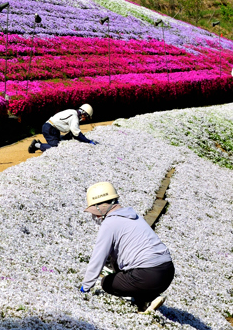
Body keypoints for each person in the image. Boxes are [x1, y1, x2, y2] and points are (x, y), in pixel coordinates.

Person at [79, 182, 175, 313]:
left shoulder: (110, 223)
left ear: (102, 207)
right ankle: (151, 297)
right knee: (120, 264)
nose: (95, 216)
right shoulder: (133, 216)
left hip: (148, 275)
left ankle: (148, 298)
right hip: (167, 271)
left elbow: (98, 257)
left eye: (95, 212)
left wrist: (85, 287)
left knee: (106, 283)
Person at [28, 104, 96, 153]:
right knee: (56, 148)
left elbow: (73, 132)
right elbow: (77, 133)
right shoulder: (74, 117)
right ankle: (36, 145)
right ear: (84, 114)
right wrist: (88, 141)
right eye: (86, 118)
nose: (85, 120)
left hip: (52, 128)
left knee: (64, 140)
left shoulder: (72, 112)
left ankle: (43, 144)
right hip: (50, 129)